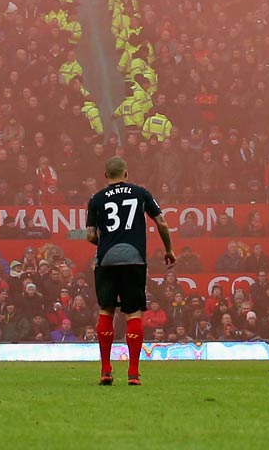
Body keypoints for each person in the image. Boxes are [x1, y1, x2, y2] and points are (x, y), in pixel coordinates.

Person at [84, 155, 175, 387]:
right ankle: (133, 373)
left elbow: (91, 236)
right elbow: (162, 224)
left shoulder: (96, 198)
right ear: (126, 173)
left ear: (106, 176)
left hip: (106, 260)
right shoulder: (141, 193)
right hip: (134, 259)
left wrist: (106, 246)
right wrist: (169, 250)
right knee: (133, 312)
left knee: (106, 310)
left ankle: (106, 370)